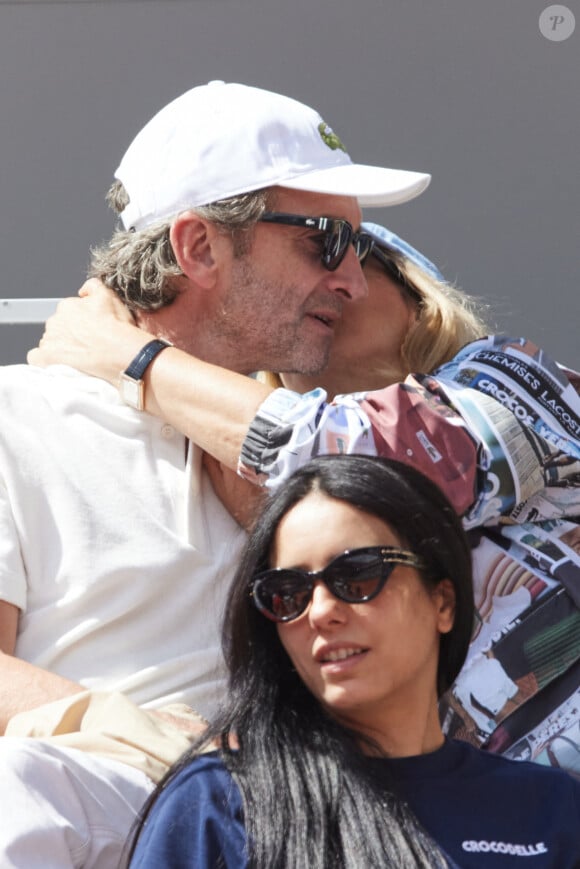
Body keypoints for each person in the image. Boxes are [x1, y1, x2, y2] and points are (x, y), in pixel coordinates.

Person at [0, 80, 431, 868]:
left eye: (361, 249)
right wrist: (151, 738)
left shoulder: (320, 440)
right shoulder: (16, 414)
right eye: (324, 241)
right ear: (198, 246)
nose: (354, 281)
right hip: (102, 810)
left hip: (317, 822)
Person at [31, 221, 580, 779]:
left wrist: (131, 354)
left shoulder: (509, 376)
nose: (331, 285)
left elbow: (388, 459)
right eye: (310, 259)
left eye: (349, 256)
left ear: (419, 298)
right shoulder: (249, 471)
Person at [128, 455, 580, 868]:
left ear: (443, 602)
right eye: (290, 593)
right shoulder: (219, 804)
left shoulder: (551, 809)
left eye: (358, 574)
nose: (321, 612)